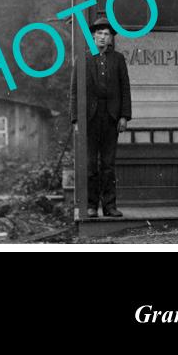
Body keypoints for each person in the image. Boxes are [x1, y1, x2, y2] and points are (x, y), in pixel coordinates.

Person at [69, 15, 132, 218]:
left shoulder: (118, 59)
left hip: (111, 117)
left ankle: (110, 206)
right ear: (93, 36)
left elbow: (125, 90)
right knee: (90, 164)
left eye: (107, 34)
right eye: (99, 34)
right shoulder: (83, 58)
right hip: (90, 118)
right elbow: (74, 91)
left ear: (111, 38)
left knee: (108, 164)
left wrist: (124, 116)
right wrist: (76, 119)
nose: (103, 37)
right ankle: (90, 206)